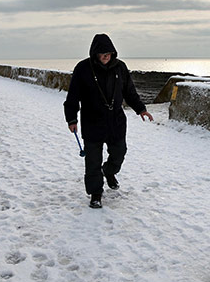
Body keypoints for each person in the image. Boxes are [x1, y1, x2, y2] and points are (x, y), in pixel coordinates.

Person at [64, 33, 153, 208]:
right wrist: (71, 118)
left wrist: (141, 109)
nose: (106, 57)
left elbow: (129, 91)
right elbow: (73, 96)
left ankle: (109, 171)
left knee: (119, 153)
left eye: (109, 53)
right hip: (92, 121)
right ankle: (95, 193)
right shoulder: (83, 68)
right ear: (95, 53)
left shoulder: (120, 67)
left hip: (116, 122)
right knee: (92, 161)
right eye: (102, 53)